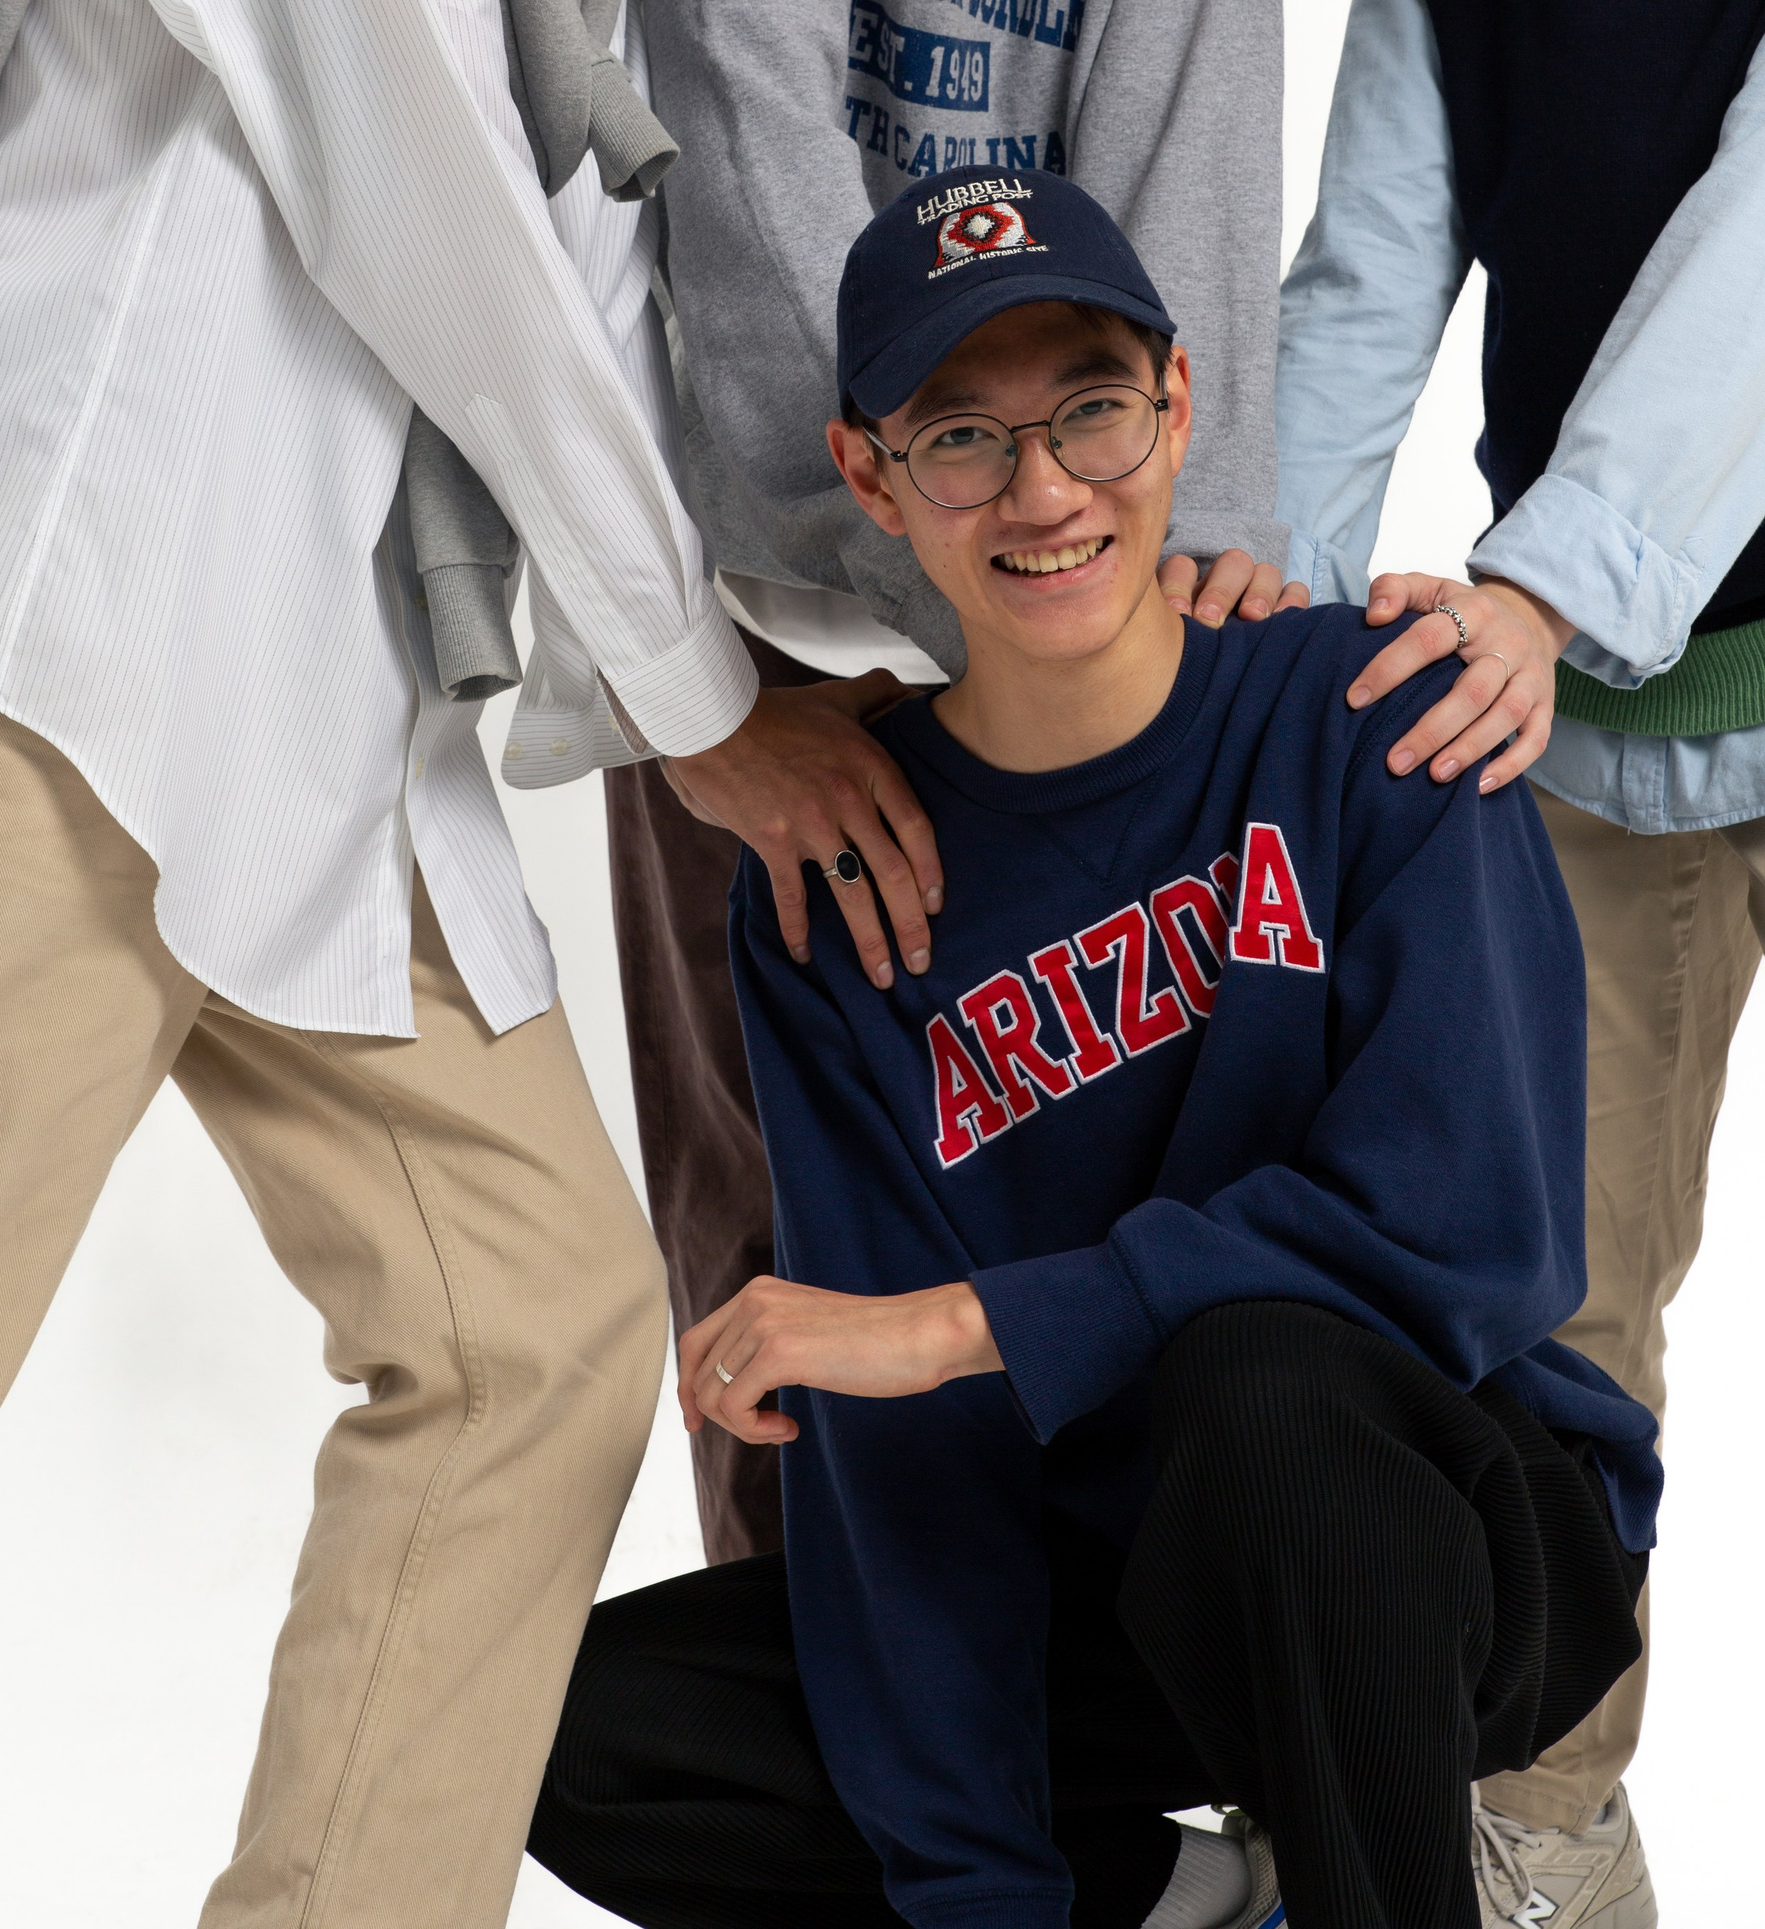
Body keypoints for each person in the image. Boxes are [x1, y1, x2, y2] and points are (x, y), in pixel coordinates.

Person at [0, 0, 970, 1929]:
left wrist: (913, 631)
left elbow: (595, 305)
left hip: (328, 743)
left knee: (538, 1336)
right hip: (59, 682)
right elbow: (443, 232)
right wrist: (696, 706)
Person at [528, 168, 1658, 1929]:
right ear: (871, 478)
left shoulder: (1376, 711)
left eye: (1092, 411)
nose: (1044, 489)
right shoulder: (841, 888)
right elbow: (904, 1462)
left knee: (1260, 1389)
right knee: (580, 1730)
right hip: (1128, 1577)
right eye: (961, 439)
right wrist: (985, 1899)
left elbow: (1467, 1239)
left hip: (1457, 1522)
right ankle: (1194, 1902)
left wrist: (965, 1326)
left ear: (1178, 404)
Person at [612, 0, 1290, 1562]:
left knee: (1092, 1229)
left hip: (1085, 631)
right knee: (769, 1233)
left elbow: (1192, 218)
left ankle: (1102, 1752)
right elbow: (759, 211)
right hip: (782, 630)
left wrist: (1126, 625)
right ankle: (803, 1733)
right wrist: (938, 585)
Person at [1274, 0, 1765, 1923]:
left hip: (1592, 620)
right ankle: (1550, 1842)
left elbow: (1755, 271)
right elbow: (1369, 268)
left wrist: (1545, 580)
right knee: (1553, 1314)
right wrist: (1246, 619)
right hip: (1597, 738)